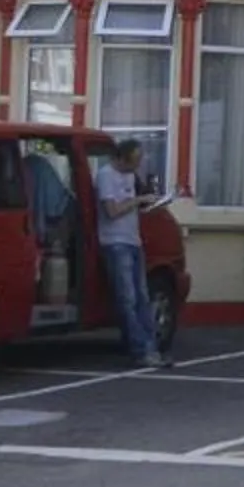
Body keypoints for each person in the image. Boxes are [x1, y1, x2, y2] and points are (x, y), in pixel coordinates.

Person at [95, 137, 167, 368]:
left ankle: (149, 345)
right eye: (134, 161)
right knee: (127, 298)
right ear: (121, 158)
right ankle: (140, 349)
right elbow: (112, 211)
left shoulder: (129, 175)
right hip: (115, 242)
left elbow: (135, 204)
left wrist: (150, 202)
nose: (137, 166)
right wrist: (137, 200)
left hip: (133, 240)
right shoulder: (106, 175)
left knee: (142, 297)